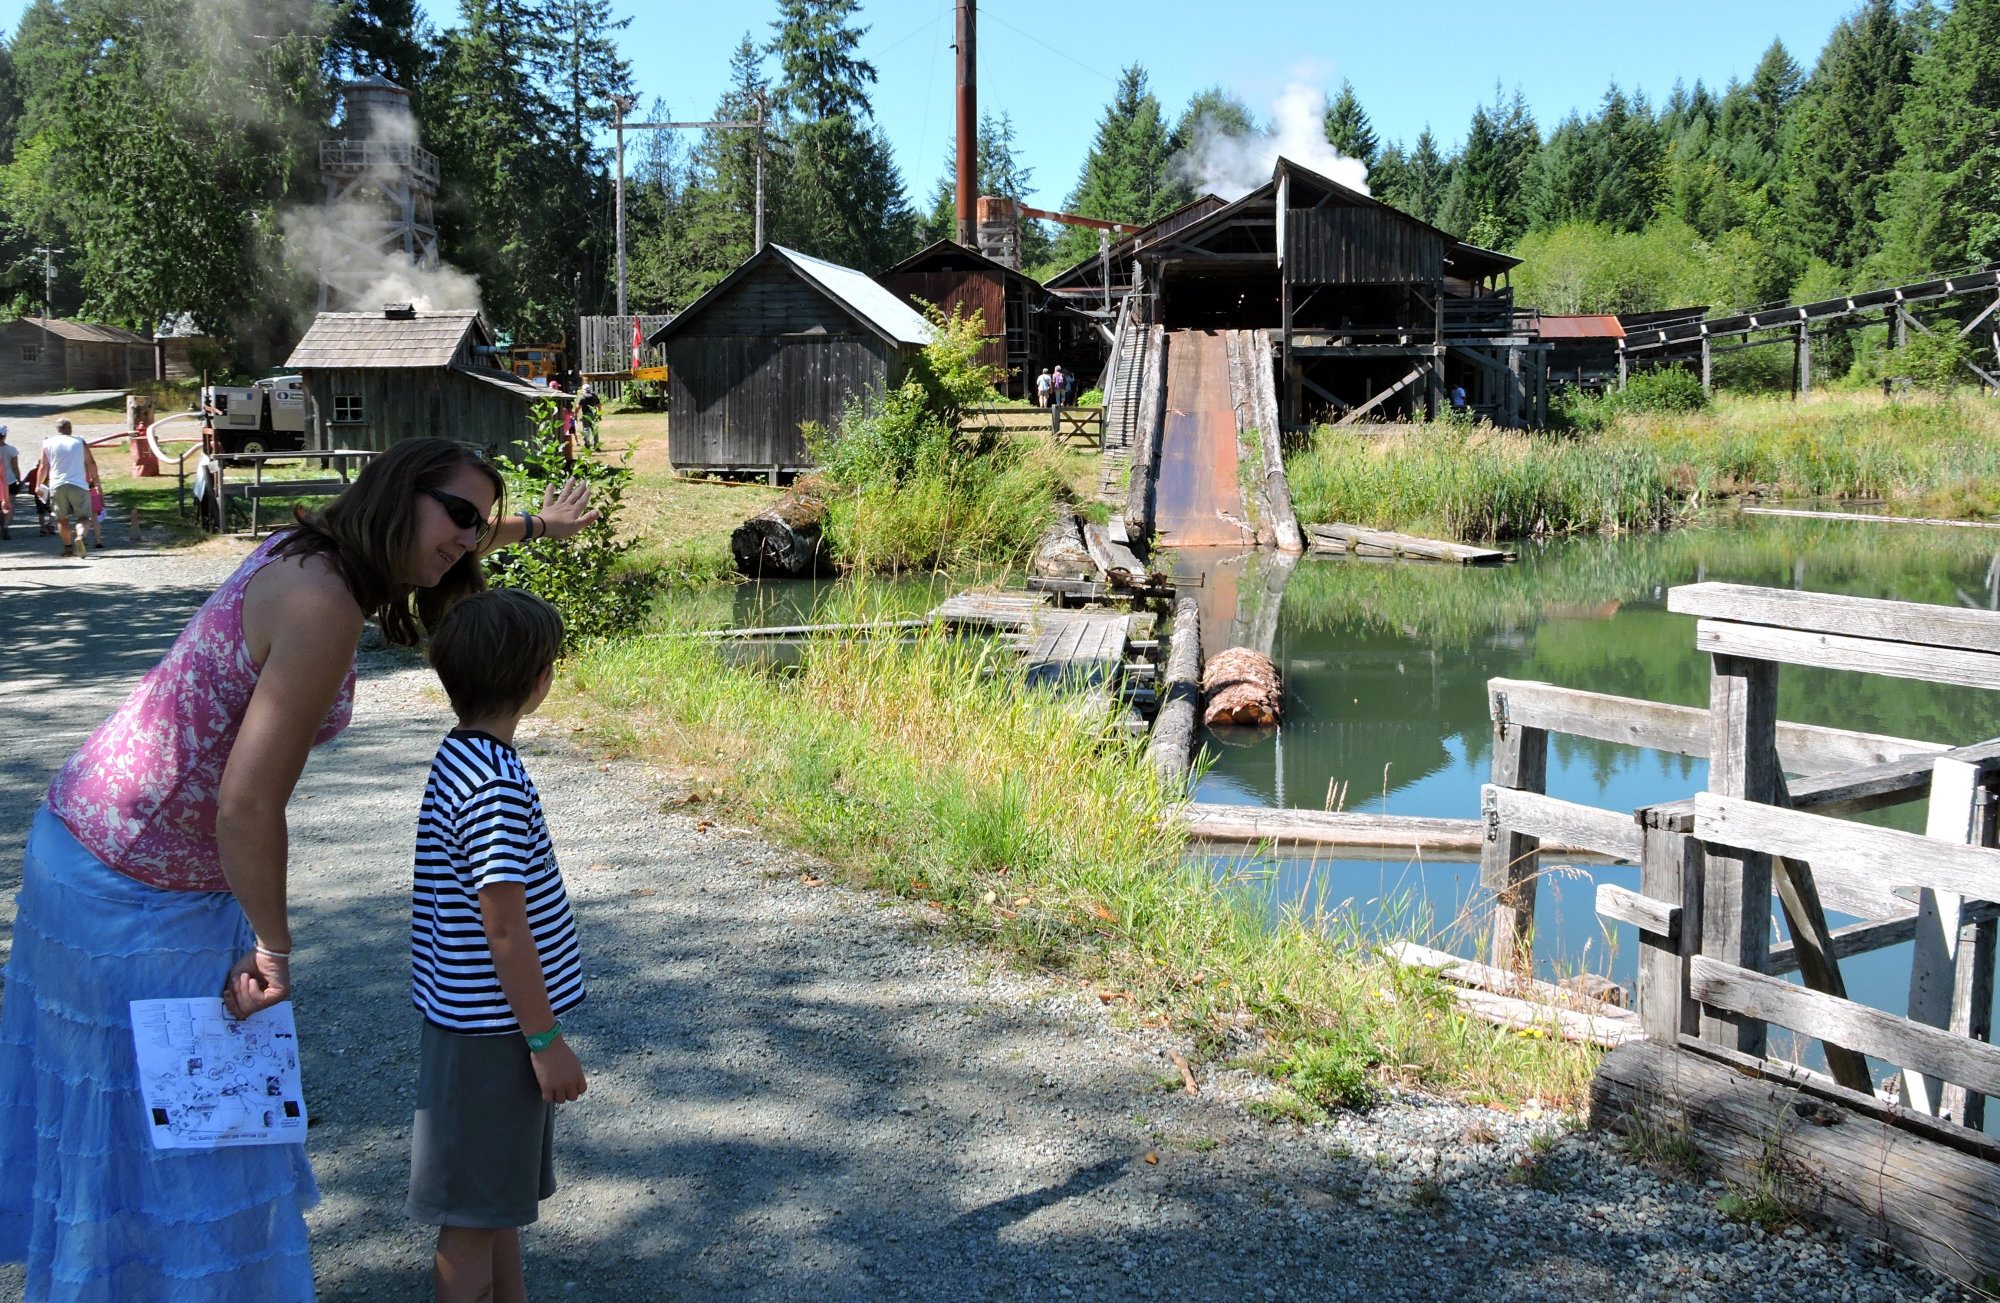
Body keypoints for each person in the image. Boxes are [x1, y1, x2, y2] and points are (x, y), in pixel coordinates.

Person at [0, 437, 599, 1303]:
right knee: (198, 1143)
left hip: (96, 848)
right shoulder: (322, 604)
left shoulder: (315, 549)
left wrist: (532, 526)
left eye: (481, 524)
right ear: (399, 495)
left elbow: (453, 530)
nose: (470, 540)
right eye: (458, 517)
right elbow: (245, 805)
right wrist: (274, 948)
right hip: (131, 893)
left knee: (161, 1135)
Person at [407, 588, 586, 1303]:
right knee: (471, 1216)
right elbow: (504, 925)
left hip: (485, 1022)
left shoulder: (462, 755)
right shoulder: (495, 784)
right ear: (538, 680)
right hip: (493, 1031)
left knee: (498, 1199)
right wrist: (545, 1039)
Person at [37, 418, 99, 558]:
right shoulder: (79, 441)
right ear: (70, 428)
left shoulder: (47, 443)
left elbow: (43, 467)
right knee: (83, 517)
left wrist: (38, 485)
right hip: (78, 484)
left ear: (57, 429)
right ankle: (80, 536)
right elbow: (91, 462)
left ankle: (67, 548)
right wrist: (94, 481)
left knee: (62, 519)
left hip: (57, 485)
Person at [0, 425, 18, 539]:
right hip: (9, 480)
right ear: (5, 435)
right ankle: (6, 526)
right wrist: (19, 479)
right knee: (9, 503)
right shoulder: (11, 450)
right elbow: (15, 467)